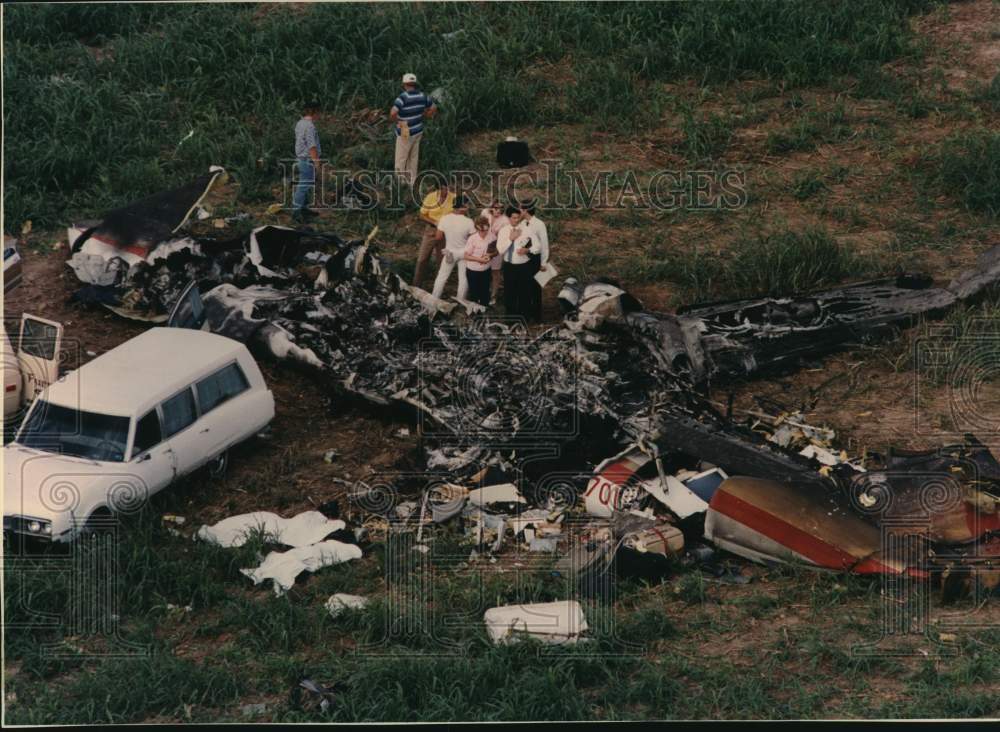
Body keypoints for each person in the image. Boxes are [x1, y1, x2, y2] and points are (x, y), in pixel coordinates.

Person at [389, 73, 437, 187]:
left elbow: (393, 113)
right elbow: (434, 108)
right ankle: (412, 181)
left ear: (404, 84)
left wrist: (397, 121)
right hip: (418, 128)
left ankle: (400, 183)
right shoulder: (423, 96)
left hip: (405, 128)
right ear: (414, 84)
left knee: (401, 157)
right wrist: (426, 115)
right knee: (413, 156)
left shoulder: (403, 97)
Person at [496, 207, 537, 319]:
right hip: (509, 266)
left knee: (524, 292)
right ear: (508, 218)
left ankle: (524, 317)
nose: (516, 220)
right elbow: (500, 250)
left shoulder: (527, 230)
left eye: (518, 217)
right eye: (514, 218)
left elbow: (537, 246)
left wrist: (528, 250)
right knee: (510, 292)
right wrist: (510, 239)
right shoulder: (503, 231)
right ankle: (511, 319)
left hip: (524, 266)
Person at [432, 194, 475, 300]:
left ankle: (434, 298)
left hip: (450, 251)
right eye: (467, 205)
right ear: (463, 206)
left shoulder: (445, 219)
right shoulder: (469, 222)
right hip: (464, 252)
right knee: (463, 278)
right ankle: (460, 300)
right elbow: (473, 240)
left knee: (442, 276)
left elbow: (438, 237)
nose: (468, 207)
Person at [414, 180, 455, 288]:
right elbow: (422, 215)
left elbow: (458, 213)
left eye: (447, 188)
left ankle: (438, 287)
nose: (446, 191)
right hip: (431, 230)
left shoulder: (453, 197)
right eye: (443, 189)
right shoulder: (430, 197)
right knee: (422, 258)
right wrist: (435, 222)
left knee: (441, 261)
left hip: (446, 232)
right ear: (438, 189)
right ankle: (416, 285)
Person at [519, 198, 550, 321]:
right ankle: (526, 313)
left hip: (535, 258)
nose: (519, 211)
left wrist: (543, 262)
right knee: (525, 286)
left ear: (525, 210)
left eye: (521, 208)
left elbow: (544, 244)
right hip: (523, 258)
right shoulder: (522, 224)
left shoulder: (539, 224)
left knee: (536, 286)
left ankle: (537, 315)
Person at [292, 100, 322, 222]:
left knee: (305, 185)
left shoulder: (300, 123)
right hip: (307, 160)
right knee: (303, 186)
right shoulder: (310, 126)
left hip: (301, 158)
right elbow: (312, 146)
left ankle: (304, 209)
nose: (320, 115)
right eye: (319, 112)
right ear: (315, 111)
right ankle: (296, 212)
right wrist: (317, 162)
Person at [480, 200, 509, 305]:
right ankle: (483, 293)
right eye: (496, 208)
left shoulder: (505, 220)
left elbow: (503, 237)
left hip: (496, 247)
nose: (498, 210)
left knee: (495, 272)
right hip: (482, 245)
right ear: (491, 207)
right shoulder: (485, 213)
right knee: (483, 269)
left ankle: (494, 295)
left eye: (501, 209)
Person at [463, 217, 494, 307]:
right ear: (477, 229)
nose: (484, 233)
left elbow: (496, 251)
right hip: (473, 271)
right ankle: (474, 311)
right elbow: (466, 256)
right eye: (481, 231)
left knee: (485, 291)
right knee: (474, 293)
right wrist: (479, 259)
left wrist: (490, 255)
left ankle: (484, 308)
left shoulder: (492, 236)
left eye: (486, 230)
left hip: (486, 270)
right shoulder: (472, 239)